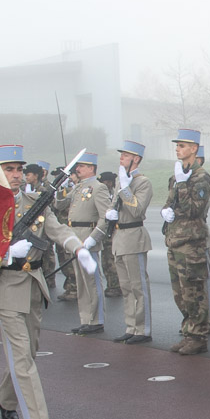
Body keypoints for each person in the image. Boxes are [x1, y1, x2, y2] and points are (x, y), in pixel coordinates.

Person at [0, 146, 94, 419]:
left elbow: (58, 230)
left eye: (19, 169)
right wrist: (5, 254)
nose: (16, 175)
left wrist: (78, 247)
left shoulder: (36, 202)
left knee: (29, 351)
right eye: (9, 169)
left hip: (33, 284)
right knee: (22, 355)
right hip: (5, 286)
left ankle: (4, 397)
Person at [161, 129, 210, 355]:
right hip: (174, 240)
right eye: (177, 145)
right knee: (180, 293)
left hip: (191, 242)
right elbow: (170, 203)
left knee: (194, 291)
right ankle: (188, 330)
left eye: (182, 145)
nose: (178, 149)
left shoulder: (200, 177)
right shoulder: (176, 176)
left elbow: (195, 210)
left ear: (194, 149)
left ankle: (198, 335)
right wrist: (166, 212)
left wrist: (183, 185)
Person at [106, 140, 155, 343]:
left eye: (125, 155)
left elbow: (136, 210)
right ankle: (131, 326)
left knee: (138, 287)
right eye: (121, 155)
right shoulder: (121, 180)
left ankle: (143, 329)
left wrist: (126, 189)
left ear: (136, 159)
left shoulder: (142, 182)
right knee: (126, 287)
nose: (121, 158)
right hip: (119, 238)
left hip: (134, 237)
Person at [65, 152, 113, 335]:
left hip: (87, 236)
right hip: (75, 237)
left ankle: (96, 319)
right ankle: (86, 318)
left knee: (92, 281)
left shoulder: (98, 187)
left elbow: (105, 217)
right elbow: (60, 204)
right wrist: (62, 187)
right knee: (81, 281)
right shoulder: (78, 187)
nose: (78, 169)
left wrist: (93, 238)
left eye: (82, 166)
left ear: (91, 168)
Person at [97, 171, 123, 298]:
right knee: (106, 261)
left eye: (106, 182)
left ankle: (115, 286)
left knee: (110, 261)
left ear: (110, 182)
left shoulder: (112, 196)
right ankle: (112, 285)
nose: (104, 184)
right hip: (105, 231)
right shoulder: (106, 194)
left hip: (112, 232)